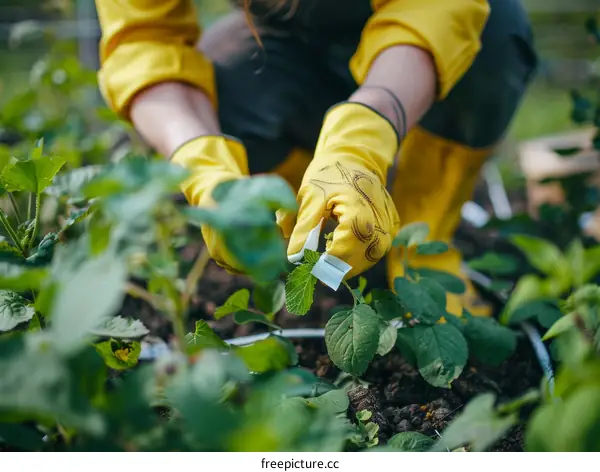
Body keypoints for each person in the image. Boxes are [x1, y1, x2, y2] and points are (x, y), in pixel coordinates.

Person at [94, 0, 538, 317]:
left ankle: (420, 238)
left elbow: (434, 7)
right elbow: (145, 40)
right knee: (226, 68)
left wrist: (363, 135)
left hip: (413, 54)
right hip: (290, 52)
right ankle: (306, 230)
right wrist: (204, 168)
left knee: (497, 32)